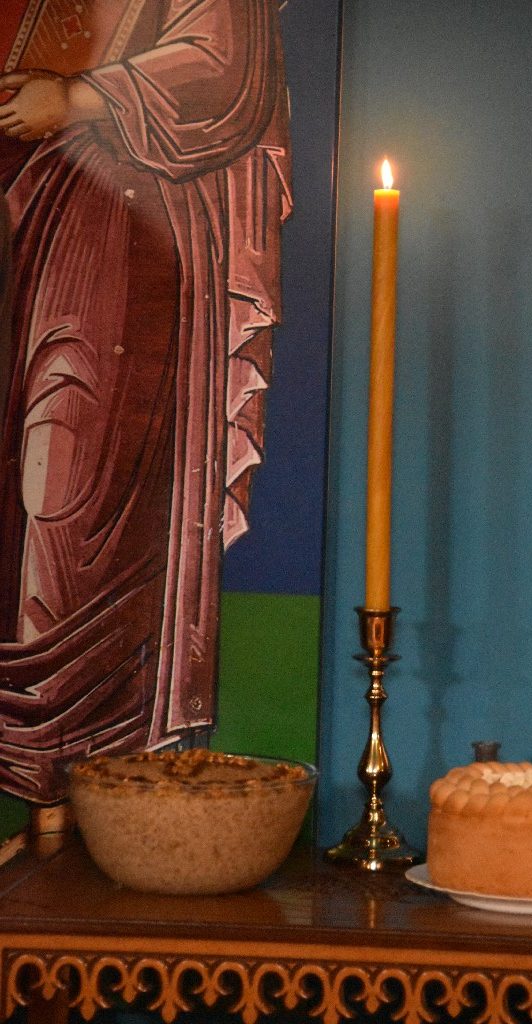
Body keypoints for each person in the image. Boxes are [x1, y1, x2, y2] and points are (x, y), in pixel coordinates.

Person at [0, 0, 292, 804]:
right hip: (34, 222)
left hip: (128, 229)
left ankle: (72, 773)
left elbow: (223, 70)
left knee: (68, 471)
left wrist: (77, 97)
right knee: (29, 477)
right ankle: (47, 797)